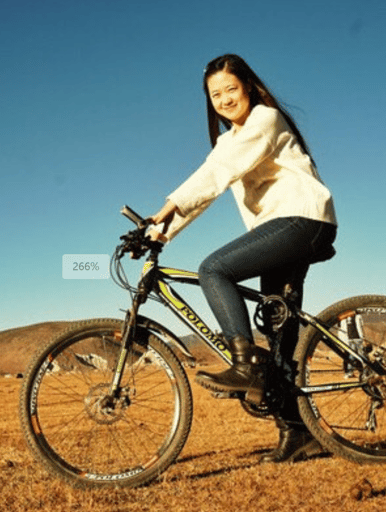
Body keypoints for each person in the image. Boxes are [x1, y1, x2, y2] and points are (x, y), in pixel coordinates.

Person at [148, 54, 337, 463]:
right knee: (280, 336)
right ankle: (298, 435)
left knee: (214, 269)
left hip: (301, 219)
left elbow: (216, 176)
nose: (224, 98)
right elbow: (211, 181)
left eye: (231, 89)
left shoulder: (265, 120)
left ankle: (245, 362)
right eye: (215, 94)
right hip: (280, 229)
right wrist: (158, 232)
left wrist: (169, 205)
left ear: (248, 86)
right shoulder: (227, 143)